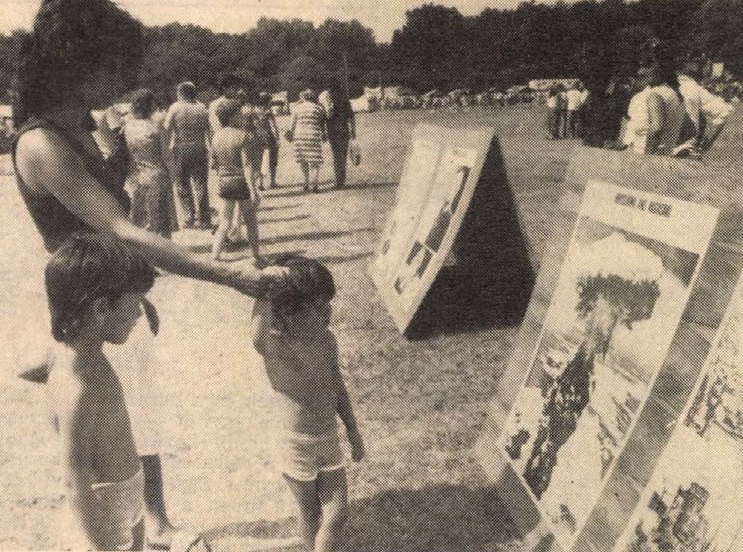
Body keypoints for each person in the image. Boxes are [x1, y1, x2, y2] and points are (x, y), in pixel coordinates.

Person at [12, 0, 285, 548]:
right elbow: (120, 228)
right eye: (116, 66)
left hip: (112, 302)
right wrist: (234, 278)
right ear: (79, 64)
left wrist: (135, 292)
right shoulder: (41, 142)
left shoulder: (81, 129)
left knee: (139, 420)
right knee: (104, 455)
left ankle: (152, 526)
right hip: (89, 310)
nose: (125, 80)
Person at [45, 233, 152, 550]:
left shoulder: (77, 353)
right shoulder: (78, 388)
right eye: (135, 305)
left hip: (127, 492)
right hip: (103, 508)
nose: (138, 316)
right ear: (102, 307)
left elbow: (38, 364)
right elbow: (75, 484)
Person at [251, 256, 365, 552]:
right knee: (310, 513)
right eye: (317, 306)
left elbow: (337, 386)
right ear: (287, 313)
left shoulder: (327, 341)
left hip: (328, 439)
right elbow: (257, 339)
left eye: (327, 302)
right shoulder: (279, 348)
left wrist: (352, 430)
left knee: (338, 513)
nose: (327, 311)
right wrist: (264, 291)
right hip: (295, 444)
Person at [210, 99, 262, 263]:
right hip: (240, 182)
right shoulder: (243, 135)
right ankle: (256, 256)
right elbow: (247, 165)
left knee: (224, 222)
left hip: (224, 181)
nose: (242, 116)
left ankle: (215, 256)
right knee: (250, 221)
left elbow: (214, 164)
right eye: (239, 114)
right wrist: (253, 190)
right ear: (232, 117)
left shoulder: (216, 136)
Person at [124, 88, 177, 238]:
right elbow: (167, 155)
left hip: (139, 175)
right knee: (162, 217)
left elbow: (130, 154)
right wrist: (172, 175)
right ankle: (167, 250)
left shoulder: (128, 126)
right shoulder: (156, 126)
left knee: (144, 217)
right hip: (158, 174)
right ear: (150, 105)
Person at [163, 81, 211, 229]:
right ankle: (204, 219)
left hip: (181, 148)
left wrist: (165, 150)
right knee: (201, 184)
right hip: (199, 147)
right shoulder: (202, 107)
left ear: (181, 93)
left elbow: (167, 129)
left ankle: (189, 217)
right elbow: (208, 130)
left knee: (182, 183)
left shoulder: (175, 107)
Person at [209, 74, 247, 242]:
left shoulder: (213, 105)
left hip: (219, 146)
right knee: (237, 190)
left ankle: (228, 230)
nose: (236, 90)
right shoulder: (230, 105)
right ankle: (233, 232)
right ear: (224, 88)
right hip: (231, 146)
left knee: (224, 188)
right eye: (232, 87)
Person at [676, 57, 733, 155]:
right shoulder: (693, 88)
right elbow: (723, 112)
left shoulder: (650, 87)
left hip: (650, 149)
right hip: (682, 150)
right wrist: (702, 147)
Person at [643, 49, 688, 156]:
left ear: (660, 71)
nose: (642, 71)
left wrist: (647, 157)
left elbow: (656, 128)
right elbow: (689, 129)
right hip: (666, 156)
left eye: (648, 66)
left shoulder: (656, 95)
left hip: (647, 158)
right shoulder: (676, 94)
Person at [288, 89, 327, 193]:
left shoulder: (297, 108)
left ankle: (305, 183)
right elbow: (322, 124)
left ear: (303, 97)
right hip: (313, 134)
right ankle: (315, 184)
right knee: (314, 161)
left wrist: (290, 135)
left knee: (303, 160)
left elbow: (292, 125)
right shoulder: (318, 108)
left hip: (300, 135)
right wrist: (324, 135)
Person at [321, 78, 357, 188]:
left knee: (337, 156)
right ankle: (342, 180)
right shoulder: (344, 98)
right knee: (343, 155)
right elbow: (351, 116)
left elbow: (325, 116)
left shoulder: (327, 99)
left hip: (333, 129)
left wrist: (323, 132)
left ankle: (339, 182)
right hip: (344, 128)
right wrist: (354, 131)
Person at [247, 92, 280, 190]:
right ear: (267, 101)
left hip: (257, 138)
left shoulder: (253, 112)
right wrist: (277, 138)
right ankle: (272, 181)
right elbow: (273, 126)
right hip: (269, 138)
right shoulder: (268, 112)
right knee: (272, 159)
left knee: (259, 160)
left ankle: (260, 183)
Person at [623, 66, 653, 153]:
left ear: (646, 79)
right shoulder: (637, 97)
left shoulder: (649, 96)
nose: (632, 81)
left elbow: (640, 125)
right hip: (631, 147)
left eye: (636, 77)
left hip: (641, 148)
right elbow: (630, 121)